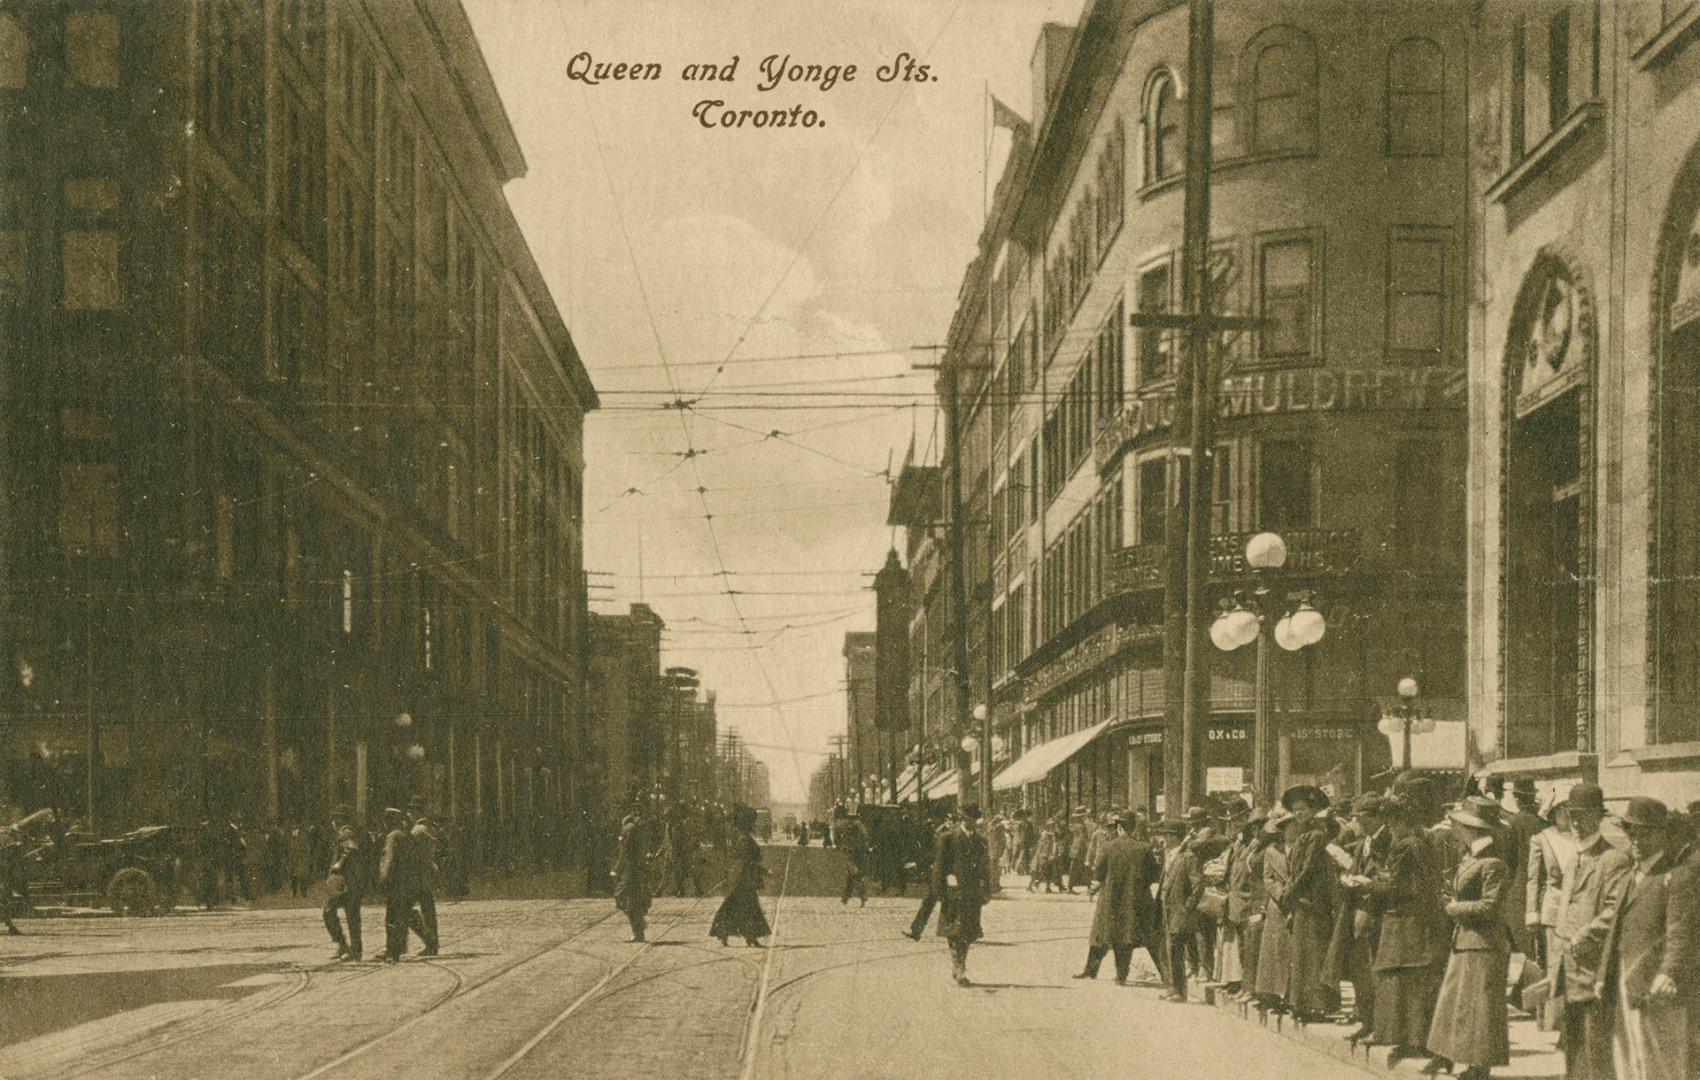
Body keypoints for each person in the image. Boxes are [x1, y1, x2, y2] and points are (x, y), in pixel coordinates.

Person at [1595, 797, 1697, 1080]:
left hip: (1656, 986)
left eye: (1645, 832)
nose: (1636, 839)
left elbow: (1681, 932)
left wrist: (1669, 972)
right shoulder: (1630, 876)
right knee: (1627, 1057)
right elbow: (1615, 931)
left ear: (1663, 834)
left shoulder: (1676, 876)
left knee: (1661, 1062)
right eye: (1631, 831)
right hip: (1625, 981)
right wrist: (1603, 975)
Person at [1552, 782, 1633, 1080]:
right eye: (1571, 814)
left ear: (1598, 816)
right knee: (1572, 1046)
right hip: (1569, 966)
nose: (1575, 821)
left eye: (1583, 814)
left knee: (1596, 1046)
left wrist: (1582, 936)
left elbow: (1613, 912)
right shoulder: (1574, 859)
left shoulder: (1614, 860)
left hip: (1595, 967)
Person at [1427, 805, 1511, 1080]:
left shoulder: (1493, 863)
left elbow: (1490, 907)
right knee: (1456, 1003)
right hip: (1465, 940)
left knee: (1480, 1008)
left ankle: (1479, 1066)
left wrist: (1453, 908)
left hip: (1483, 943)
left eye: (1460, 826)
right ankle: (1447, 1056)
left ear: (1470, 830)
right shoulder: (1470, 859)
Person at [1363, 794, 1449, 1065]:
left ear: (1396, 821)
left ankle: (1406, 1040)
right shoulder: (1424, 842)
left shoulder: (1402, 846)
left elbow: (1395, 887)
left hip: (1403, 921)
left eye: (1389, 824)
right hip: (1423, 919)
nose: (1389, 829)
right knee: (1419, 981)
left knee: (1400, 979)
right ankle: (1420, 1040)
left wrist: (1365, 885)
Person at [1074, 810, 1160, 985]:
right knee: (1135, 936)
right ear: (1134, 827)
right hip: (1136, 900)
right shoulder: (1144, 848)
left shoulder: (1108, 847)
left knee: (1100, 935)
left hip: (1110, 899)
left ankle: (1090, 970)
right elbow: (1153, 875)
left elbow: (1098, 874)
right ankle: (1124, 976)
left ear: (1119, 827)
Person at [1278, 785, 1338, 1022]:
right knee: (1301, 953)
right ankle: (1301, 1003)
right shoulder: (1302, 836)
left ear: (1313, 810)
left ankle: (1318, 1005)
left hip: (1314, 901)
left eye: (1303, 809)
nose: (1298, 814)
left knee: (1313, 953)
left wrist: (1290, 891)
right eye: (1295, 810)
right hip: (1302, 902)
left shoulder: (1316, 835)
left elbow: (1309, 869)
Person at [933, 804, 994, 987]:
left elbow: (985, 869)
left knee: (967, 932)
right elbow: (939, 867)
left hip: (972, 893)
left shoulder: (981, 841)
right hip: (953, 892)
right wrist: (939, 890)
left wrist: (987, 891)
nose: (970, 822)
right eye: (967, 818)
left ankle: (960, 965)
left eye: (973, 819)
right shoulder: (948, 838)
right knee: (954, 931)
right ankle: (959, 968)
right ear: (961, 818)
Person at [1525, 795, 1574, 973]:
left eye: (1570, 808)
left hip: (1577, 908)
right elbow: (1533, 878)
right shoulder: (1542, 838)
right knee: (1554, 965)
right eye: (1561, 808)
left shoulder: (1581, 837)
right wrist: (1532, 911)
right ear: (1553, 811)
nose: (1566, 813)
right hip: (1553, 907)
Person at [1157, 817, 1203, 1002]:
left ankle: (1179, 991)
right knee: (1168, 948)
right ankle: (1172, 986)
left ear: (1175, 837)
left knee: (1176, 949)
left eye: (1166, 835)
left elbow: (1198, 884)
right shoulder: (1171, 855)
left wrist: (1187, 907)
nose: (1163, 839)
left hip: (1180, 911)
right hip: (1168, 910)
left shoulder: (1188, 857)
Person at [711, 804, 771, 947]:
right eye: (752, 824)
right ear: (748, 826)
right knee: (748, 907)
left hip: (739, 878)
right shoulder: (745, 840)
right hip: (743, 879)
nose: (754, 826)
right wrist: (765, 871)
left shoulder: (742, 839)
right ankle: (747, 937)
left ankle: (727, 934)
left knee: (735, 906)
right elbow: (748, 862)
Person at [323, 811, 367, 962]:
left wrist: (339, 864)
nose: (332, 823)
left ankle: (348, 947)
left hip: (347, 883)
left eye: (334, 820)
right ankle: (350, 948)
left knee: (333, 913)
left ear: (339, 820)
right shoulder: (347, 833)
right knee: (351, 917)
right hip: (348, 882)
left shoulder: (346, 833)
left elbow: (351, 849)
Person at [376, 808, 417, 963]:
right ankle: (399, 948)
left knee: (391, 917)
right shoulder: (407, 835)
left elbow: (389, 859)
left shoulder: (392, 837)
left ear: (388, 821)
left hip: (395, 883)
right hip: (408, 881)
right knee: (402, 915)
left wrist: (383, 879)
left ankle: (392, 952)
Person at [906, 811, 952, 939]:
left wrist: (918, 864)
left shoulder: (946, 834)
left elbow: (935, 854)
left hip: (946, 875)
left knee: (940, 903)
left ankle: (919, 931)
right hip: (940, 875)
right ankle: (916, 931)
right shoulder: (942, 832)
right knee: (931, 902)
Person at [406, 800, 441, 957]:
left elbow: (410, 853)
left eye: (411, 811)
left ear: (416, 812)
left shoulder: (417, 830)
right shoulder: (429, 828)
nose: (410, 814)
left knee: (405, 909)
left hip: (416, 875)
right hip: (427, 874)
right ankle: (432, 943)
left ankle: (430, 941)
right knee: (428, 909)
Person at [614, 812, 652, 942]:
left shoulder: (628, 831)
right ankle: (639, 930)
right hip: (637, 872)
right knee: (634, 901)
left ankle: (638, 931)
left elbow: (624, 853)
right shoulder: (637, 831)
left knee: (625, 899)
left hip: (629, 872)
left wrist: (616, 870)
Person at [837, 808, 870, 907]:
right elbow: (866, 838)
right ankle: (846, 897)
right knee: (852, 875)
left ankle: (862, 896)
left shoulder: (845, 827)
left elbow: (839, 838)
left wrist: (841, 846)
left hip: (850, 854)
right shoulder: (860, 827)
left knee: (854, 875)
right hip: (859, 853)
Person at [287, 823, 312, 898]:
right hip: (292, 859)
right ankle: (293, 891)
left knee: (302, 876)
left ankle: (304, 892)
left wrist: (299, 852)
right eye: (292, 827)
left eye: (295, 827)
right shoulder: (290, 835)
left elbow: (307, 847)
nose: (293, 829)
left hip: (301, 859)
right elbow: (288, 846)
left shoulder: (304, 835)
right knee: (292, 876)